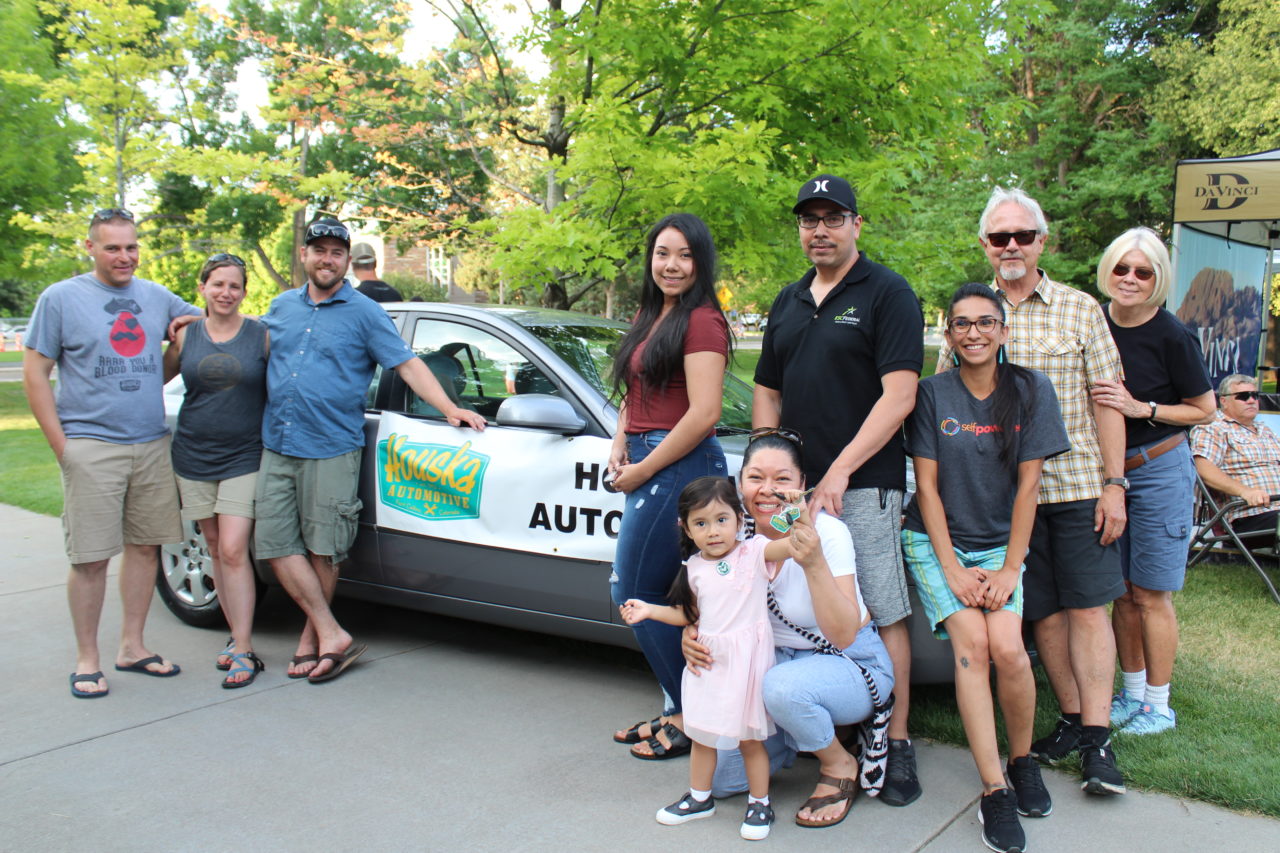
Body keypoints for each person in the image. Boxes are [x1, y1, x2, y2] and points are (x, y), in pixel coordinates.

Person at [939, 186, 1129, 796]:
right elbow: (947, 402)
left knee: (1087, 608)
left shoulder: (1079, 310)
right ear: (985, 246)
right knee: (1039, 613)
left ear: (1042, 241)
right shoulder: (972, 314)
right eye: (1000, 237)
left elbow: (1109, 403)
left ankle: (1098, 742)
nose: (1012, 245)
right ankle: (1071, 719)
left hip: (1074, 487)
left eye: (1023, 235)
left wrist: (1115, 483)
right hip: (998, 503)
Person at [753, 174, 923, 805]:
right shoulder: (789, 298)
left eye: (832, 217)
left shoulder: (888, 293)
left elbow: (899, 395)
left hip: (863, 481)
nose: (819, 229)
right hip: (793, 488)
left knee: (878, 608)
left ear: (857, 223)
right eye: (808, 219)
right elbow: (768, 386)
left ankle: (895, 738)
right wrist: (770, 465)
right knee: (782, 590)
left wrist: (840, 471)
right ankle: (821, 723)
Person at [257, 217, 485, 683]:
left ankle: (310, 640)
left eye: (336, 253)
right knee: (276, 544)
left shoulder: (365, 312)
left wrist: (449, 407)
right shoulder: (280, 308)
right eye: (319, 250)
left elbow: (407, 364)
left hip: (332, 447)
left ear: (346, 261)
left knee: (325, 549)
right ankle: (330, 631)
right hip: (277, 444)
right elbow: (249, 350)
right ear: (304, 255)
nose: (327, 259)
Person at [904, 283, 1070, 853]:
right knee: (973, 647)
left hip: (1003, 548)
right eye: (961, 324)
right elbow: (925, 487)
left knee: (1010, 650)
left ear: (1003, 331)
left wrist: (1009, 568)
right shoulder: (931, 394)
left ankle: (1022, 762)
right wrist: (949, 566)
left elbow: (1030, 486)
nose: (973, 332)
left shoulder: (1031, 390)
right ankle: (994, 790)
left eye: (985, 322)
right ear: (948, 335)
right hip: (936, 541)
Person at [23, 208, 202, 698]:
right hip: (90, 445)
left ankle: (133, 647)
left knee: (145, 548)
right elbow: (35, 374)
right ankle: (87, 659)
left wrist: (180, 339)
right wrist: (64, 448)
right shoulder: (60, 299)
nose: (124, 257)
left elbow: (201, 325)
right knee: (91, 558)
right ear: (90, 248)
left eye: (131, 247)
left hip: (148, 442)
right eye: (113, 248)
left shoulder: (154, 296)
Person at [685, 433, 894, 829]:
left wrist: (812, 561)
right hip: (771, 666)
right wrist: (691, 633)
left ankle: (839, 762)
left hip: (847, 662)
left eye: (782, 479)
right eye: (755, 478)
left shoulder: (827, 533)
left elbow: (844, 633)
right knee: (724, 780)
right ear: (739, 482)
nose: (767, 490)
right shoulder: (730, 535)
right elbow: (709, 599)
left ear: (801, 485)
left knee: (782, 688)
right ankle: (805, 734)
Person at [608, 213, 730, 760]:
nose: (671, 265)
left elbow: (703, 413)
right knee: (664, 591)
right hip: (649, 454)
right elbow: (637, 391)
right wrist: (618, 439)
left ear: (699, 262)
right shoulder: (651, 311)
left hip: (679, 465)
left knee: (633, 591)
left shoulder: (702, 320)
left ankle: (689, 714)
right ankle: (676, 708)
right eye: (662, 253)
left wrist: (643, 467)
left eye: (684, 255)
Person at [621, 476, 802, 841]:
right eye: (700, 523)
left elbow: (795, 546)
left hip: (746, 664)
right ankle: (700, 798)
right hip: (707, 665)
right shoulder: (693, 568)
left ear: (739, 518)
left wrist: (796, 511)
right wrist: (649, 611)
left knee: (750, 741)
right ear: (685, 528)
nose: (713, 531)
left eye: (722, 519)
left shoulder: (753, 552)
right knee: (702, 736)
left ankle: (759, 802)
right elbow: (689, 616)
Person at [1089, 228, 1215, 737]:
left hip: (1160, 466)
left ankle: (1160, 707)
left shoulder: (1172, 334)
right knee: (1120, 592)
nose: (1130, 279)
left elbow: (1205, 410)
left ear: (1158, 278)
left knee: (1152, 593)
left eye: (1143, 272)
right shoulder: (1093, 321)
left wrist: (1146, 409)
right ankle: (1133, 693)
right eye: (1122, 268)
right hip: (1109, 471)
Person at [162, 252, 270, 688]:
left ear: (245, 293)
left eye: (235, 286)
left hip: (245, 455)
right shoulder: (186, 338)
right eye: (218, 284)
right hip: (192, 455)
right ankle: (236, 636)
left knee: (231, 549)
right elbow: (153, 379)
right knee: (211, 545)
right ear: (202, 288)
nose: (226, 292)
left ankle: (244, 649)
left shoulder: (261, 336)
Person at [1191, 374, 1280, 533]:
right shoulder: (1213, 427)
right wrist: (1245, 491)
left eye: (1255, 395)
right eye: (1243, 396)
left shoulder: (1266, 431)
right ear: (1223, 401)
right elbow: (1202, 468)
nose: (1251, 400)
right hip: (1251, 513)